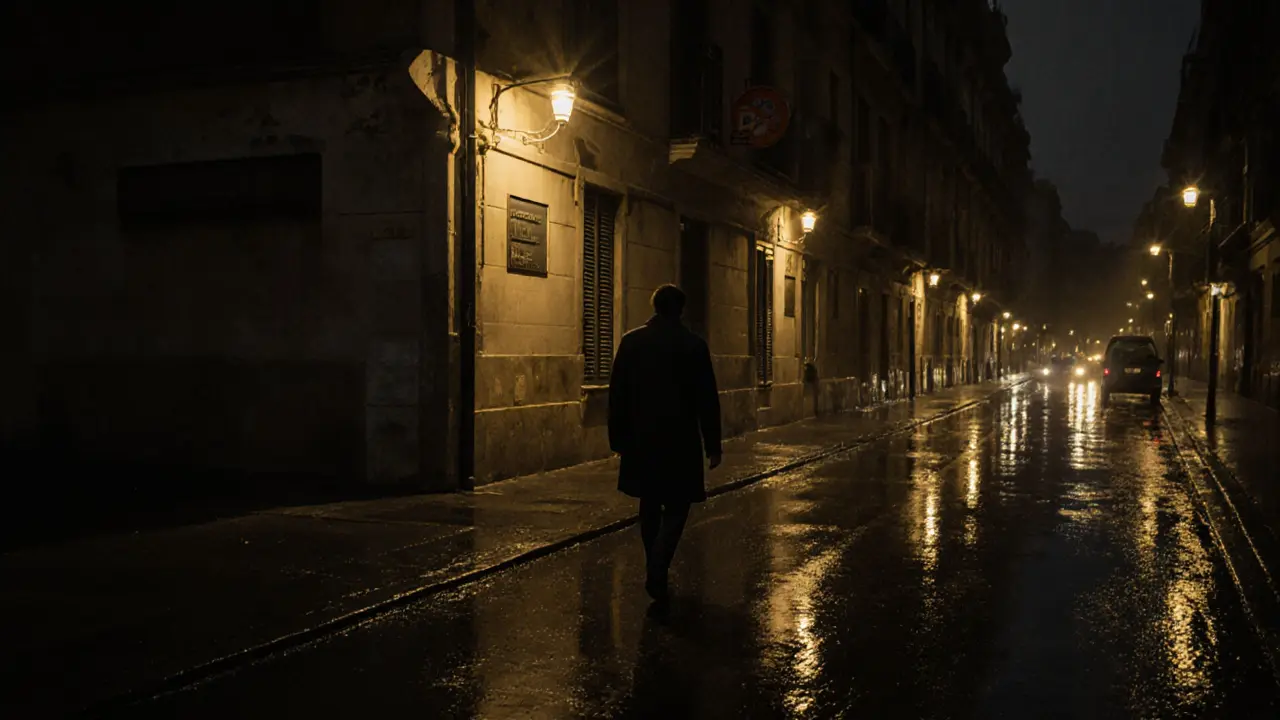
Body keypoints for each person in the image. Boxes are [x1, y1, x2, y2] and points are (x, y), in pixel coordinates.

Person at [608, 284, 722, 603]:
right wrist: (713, 445)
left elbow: (617, 396)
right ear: (680, 310)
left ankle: (653, 564)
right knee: (677, 505)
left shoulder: (632, 343)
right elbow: (706, 400)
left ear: (655, 306)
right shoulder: (694, 346)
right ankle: (658, 565)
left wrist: (617, 438)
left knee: (649, 501)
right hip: (680, 440)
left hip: (641, 440)